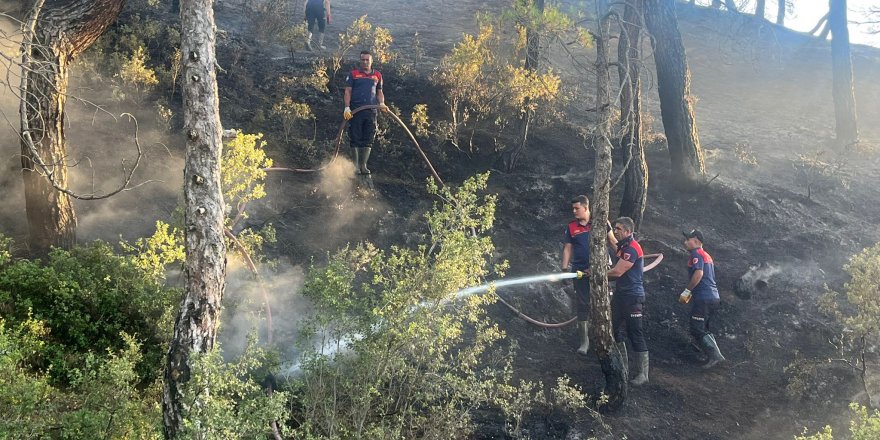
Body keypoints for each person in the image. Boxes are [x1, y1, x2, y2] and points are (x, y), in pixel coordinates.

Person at [560, 196, 616, 356]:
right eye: (573, 209)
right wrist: (564, 269)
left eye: (577, 208)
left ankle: (605, 337)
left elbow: (612, 242)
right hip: (579, 272)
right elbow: (567, 248)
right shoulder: (571, 227)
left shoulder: (601, 222)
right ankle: (584, 342)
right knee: (582, 303)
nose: (574, 211)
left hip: (601, 270)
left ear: (586, 207)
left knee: (604, 300)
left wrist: (625, 257)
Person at [608, 217, 649, 386]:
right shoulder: (624, 245)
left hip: (633, 297)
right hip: (620, 296)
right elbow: (613, 244)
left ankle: (643, 374)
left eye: (618, 229)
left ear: (627, 231)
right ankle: (623, 367)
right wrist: (608, 229)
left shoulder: (632, 249)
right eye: (615, 228)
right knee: (614, 328)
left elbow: (617, 272)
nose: (616, 231)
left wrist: (595, 274)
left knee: (635, 333)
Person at [681, 229, 726, 369]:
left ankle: (715, 356)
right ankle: (714, 355)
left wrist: (687, 291)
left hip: (703, 297)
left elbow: (699, 273)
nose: (685, 242)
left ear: (695, 241)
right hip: (713, 297)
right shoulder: (706, 254)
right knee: (704, 328)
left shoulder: (696, 254)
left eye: (688, 239)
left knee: (697, 328)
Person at [343, 50, 387, 175]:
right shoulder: (354, 74)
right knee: (355, 137)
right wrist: (347, 107)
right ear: (360, 60)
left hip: (371, 111)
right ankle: (355, 166)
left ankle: (363, 166)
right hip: (356, 110)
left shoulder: (377, 75)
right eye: (363, 59)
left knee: (368, 137)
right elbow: (348, 91)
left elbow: (379, 92)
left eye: (367, 59)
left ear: (371, 61)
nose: (365, 62)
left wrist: (382, 103)